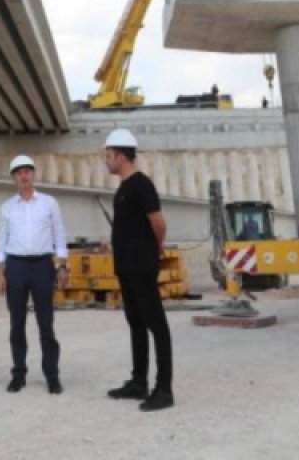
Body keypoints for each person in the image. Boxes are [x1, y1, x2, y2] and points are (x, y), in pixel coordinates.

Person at [102, 129, 174, 411]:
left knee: (156, 324)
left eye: (108, 156)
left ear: (120, 155)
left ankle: (164, 389)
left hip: (142, 267)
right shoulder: (123, 188)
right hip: (127, 268)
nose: (106, 161)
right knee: (136, 323)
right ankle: (138, 382)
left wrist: (155, 247)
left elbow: (159, 223)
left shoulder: (142, 185)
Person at [0, 154, 69, 395]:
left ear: (33, 174)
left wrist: (62, 265)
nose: (24, 176)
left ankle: (52, 375)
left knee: (46, 323)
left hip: (42, 266)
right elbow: (1, 242)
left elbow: (59, 235)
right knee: (17, 323)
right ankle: (19, 374)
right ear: (14, 178)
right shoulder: (6, 208)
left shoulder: (49, 203)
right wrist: (0, 272)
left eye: (28, 171)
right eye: (19, 172)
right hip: (15, 266)